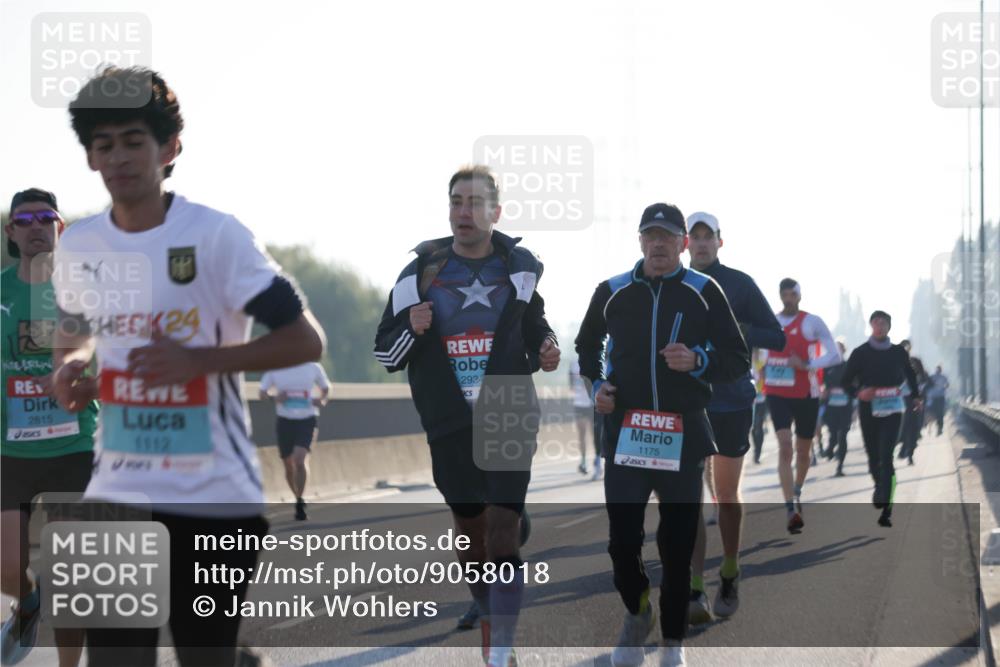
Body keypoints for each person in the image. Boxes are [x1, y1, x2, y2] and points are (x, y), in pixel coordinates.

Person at [53, 67, 325, 667]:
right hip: (116, 494)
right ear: (91, 158)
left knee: (204, 659)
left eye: (133, 140)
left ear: (169, 148)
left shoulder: (216, 236)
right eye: (104, 145)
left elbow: (304, 341)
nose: (119, 157)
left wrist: (197, 361)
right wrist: (69, 369)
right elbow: (71, 334)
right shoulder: (80, 246)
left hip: (213, 498)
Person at [373, 165, 559, 667]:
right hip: (449, 418)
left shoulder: (516, 268)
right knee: (471, 530)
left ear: (496, 213)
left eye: (475, 203)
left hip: (507, 408)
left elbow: (535, 321)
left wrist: (546, 344)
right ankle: (483, 604)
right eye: (457, 202)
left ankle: (500, 646)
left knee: (501, 528)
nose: (464, 212)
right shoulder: (420, 275)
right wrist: (411, 327)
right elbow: (385, 352)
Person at [576, 203, 749, 667]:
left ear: (682, 245)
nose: (657, 244)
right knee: (621, 545)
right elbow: (585, 346)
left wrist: (699, 361)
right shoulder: (611, 292)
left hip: (683, 436)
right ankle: (637, 611)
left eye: (667, 237)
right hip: (627, 435)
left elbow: (738, 356)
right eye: (649, 235)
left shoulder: (703, 291)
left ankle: (672, 645)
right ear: (639, 241)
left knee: (675, 548)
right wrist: (597, 388)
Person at [1, 189, 98, 667]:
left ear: (60, 229)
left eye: (46, 218)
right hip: (9, 448)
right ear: (11, 233)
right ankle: (28, 600)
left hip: (72, 444)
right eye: (25, 220)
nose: (36, 226)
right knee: (6, 567)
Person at [684, 211, 785, 624]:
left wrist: (741, 329)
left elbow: (775, 336)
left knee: (725, 493)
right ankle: (694, 589)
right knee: (689, 498)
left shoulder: (740, 284)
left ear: (720, 243)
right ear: (685, 242)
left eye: (709, 237)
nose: (703, 243)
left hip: (731, 400)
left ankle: (729, 569)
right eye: (696, 236)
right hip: (687, 401)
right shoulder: (675, 284)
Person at [762, 278, 841, 534]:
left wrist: (808, 366)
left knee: (803, 452)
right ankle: (789, 508)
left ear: (799, 296)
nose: (788, 298)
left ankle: (797, 491)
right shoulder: (770, 323)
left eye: (792, 294)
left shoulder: (811, 322)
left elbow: (834, 355)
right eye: (783, 294)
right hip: (777, 393)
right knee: (785, 448)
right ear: (779, 295)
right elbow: (759, 356)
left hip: (806, 393)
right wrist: (759, 375)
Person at [841, 311, 921, 527]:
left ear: (889, 327)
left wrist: (915, 396)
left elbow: (910, 374)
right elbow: (846, 381)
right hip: (869, 408)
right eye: (876, 322)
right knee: (874, 456)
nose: (880, 325)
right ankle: (880, 486)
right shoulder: (860, 353)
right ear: (871, 325)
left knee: (887, 455)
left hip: (894, 408)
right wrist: (859, 393)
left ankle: (888, 505)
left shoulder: (898, 352)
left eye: (884, 322)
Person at [259, 361, 331, 520]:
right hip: (285, 420)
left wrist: (322, 400)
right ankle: (297, 496)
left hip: (307, 419)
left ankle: (300, 500)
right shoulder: (276, 367)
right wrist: (275, 397)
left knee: (300, 459)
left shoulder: (313, 367)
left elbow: (326, 388)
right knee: (288, 464)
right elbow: (262, 392)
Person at [820, 339, 853, 477]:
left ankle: (840, 466)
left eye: (840, 348)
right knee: (833, 433)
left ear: (844, 351)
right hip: (831, 405)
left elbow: (855, 383)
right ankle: (830, 448)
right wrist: (824, 391)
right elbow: (821, 382)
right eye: (835, 348)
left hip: (845, 405)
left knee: (843, 434)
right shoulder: (827, 367)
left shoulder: (849, 366)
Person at [570, 357, 603, 479]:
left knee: (596, 434)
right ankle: (583, 462)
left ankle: (598, 463)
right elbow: (571, 385)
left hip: (593, 405)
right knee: (581, 433)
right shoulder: (573, 364)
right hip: (579, 404)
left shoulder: (597, 361)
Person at [897, 340, 927, 465]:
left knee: (915, 427)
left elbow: (925, 378)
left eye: (907, 347)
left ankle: (910, 453)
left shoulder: (916, 361)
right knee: (902, 427)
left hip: (915, 400)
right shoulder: (896, 364)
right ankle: (904, 448)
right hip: (900, 401)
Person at [750, 349, 769, 464]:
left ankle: (757, 453)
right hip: (749, 399)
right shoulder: (748, 361)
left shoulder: (763, 361)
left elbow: (766, 377)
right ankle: (755, 450)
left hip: (761, 398)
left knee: (758, 425)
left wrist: (763, 375)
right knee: (752, 427)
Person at [925, 365, 950, 436]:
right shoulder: (943, 377)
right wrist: (944, 388)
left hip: (934, 397)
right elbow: (947, 385)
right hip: (940, 397)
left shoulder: (932, 377)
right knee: (940, 413)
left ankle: (937, 427)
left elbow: (928, 385)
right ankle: (939, 427)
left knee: (934, 412)